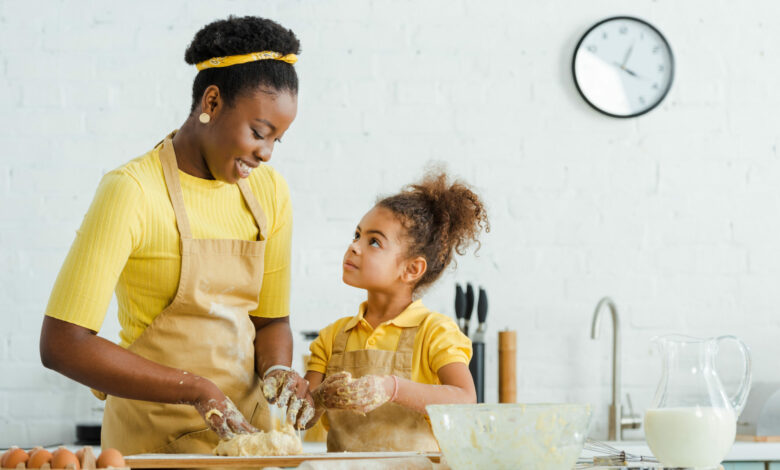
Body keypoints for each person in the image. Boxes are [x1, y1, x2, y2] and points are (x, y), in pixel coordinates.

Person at [39, 16, 313, 455]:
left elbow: (271, 321)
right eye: (259, 133)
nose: (265, 153)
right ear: (212, 100)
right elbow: (62, 344)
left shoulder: (269, 192)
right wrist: (197, 390)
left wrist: (279, 369)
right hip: (151, 444)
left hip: (245, 444)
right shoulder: (131, 191)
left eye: (277, 140)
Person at [304, 170, 490, 452]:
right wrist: (317, 399)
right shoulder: (332, 337)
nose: (354, 246)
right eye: (356, 235)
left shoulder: (434, 331)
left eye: (374, 241)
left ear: (411, 269)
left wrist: (391, 388)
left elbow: (465, 400)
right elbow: (301, 419)